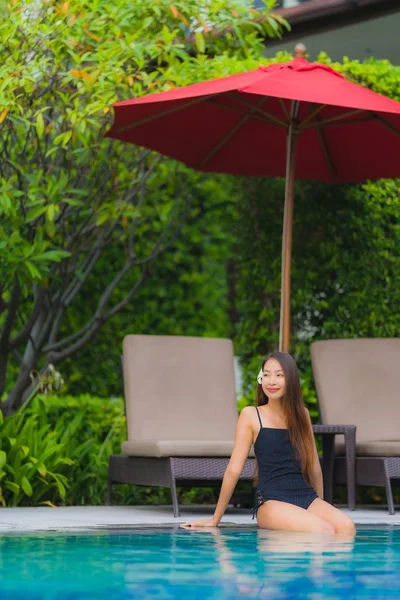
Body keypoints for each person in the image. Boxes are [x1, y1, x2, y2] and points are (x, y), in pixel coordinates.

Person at [181, 351, 355, 536]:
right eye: (266, 374)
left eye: (279, 375)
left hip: (305, 495)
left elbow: (314, 467)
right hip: (272, 501)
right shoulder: (251, 415)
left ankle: (323, 566)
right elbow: (234, 469)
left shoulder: (302, 415)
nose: (271, 381)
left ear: (291, 380)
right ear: (260, 378)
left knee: (346, 527)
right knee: (323, 530)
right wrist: (216, 519)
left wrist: (320, 505)